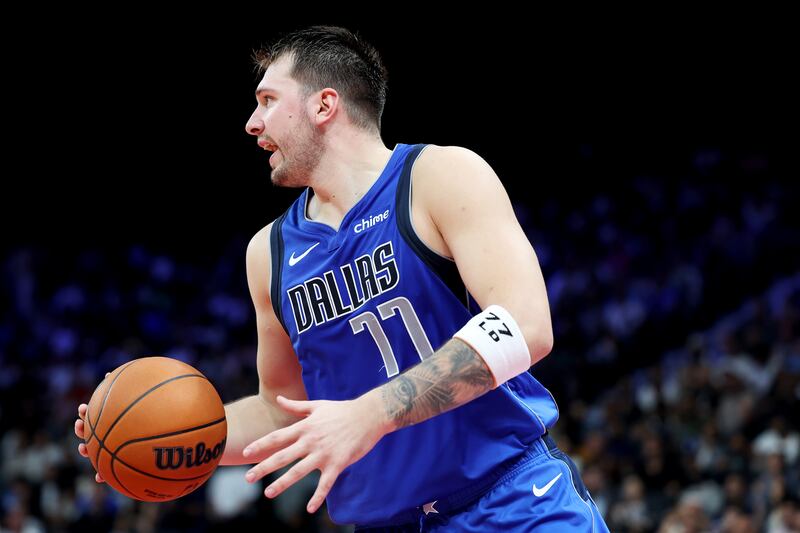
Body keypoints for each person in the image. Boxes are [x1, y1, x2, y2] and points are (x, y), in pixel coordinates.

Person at [74, 25, 610, 531]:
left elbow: (525, 326)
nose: (252, 124)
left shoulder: (437, 177)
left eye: (267, 100)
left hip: (513, 502)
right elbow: (281, 409)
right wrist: (158, 437)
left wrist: (370, 413)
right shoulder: (269, 252)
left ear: (323, 105)